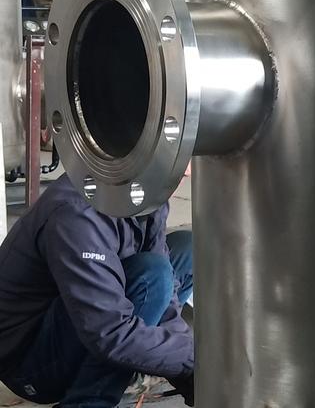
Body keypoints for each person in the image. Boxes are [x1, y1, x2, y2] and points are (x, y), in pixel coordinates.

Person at [0, 162, 194, 408]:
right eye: (180, 167)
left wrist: (190, 371)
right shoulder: (78, 212)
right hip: (29, 363)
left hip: (86, 322)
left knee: (187, 251)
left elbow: (168, 300)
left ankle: (135, 361)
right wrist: (193, 359)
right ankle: (89, 400)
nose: (187, 173)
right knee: (152, 276)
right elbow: (110, 332)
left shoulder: (146, 192)